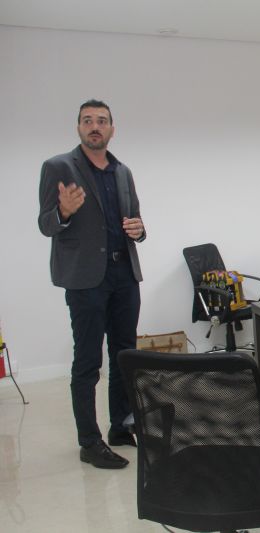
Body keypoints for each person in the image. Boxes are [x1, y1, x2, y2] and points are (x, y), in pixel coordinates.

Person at [38, 100, 145, 469]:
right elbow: (46, 224)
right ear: (78, 128)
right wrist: (63, 211)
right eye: (87, 121)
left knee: (125, 354)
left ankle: (122, 425)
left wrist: (140, 229)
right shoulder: (58, 167)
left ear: (112, 129)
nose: (94, 126)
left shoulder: (123, 171)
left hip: (124, 275)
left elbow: (135, 220)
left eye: (101, 121)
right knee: (87, 361)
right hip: (86, 279)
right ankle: (89, 441)